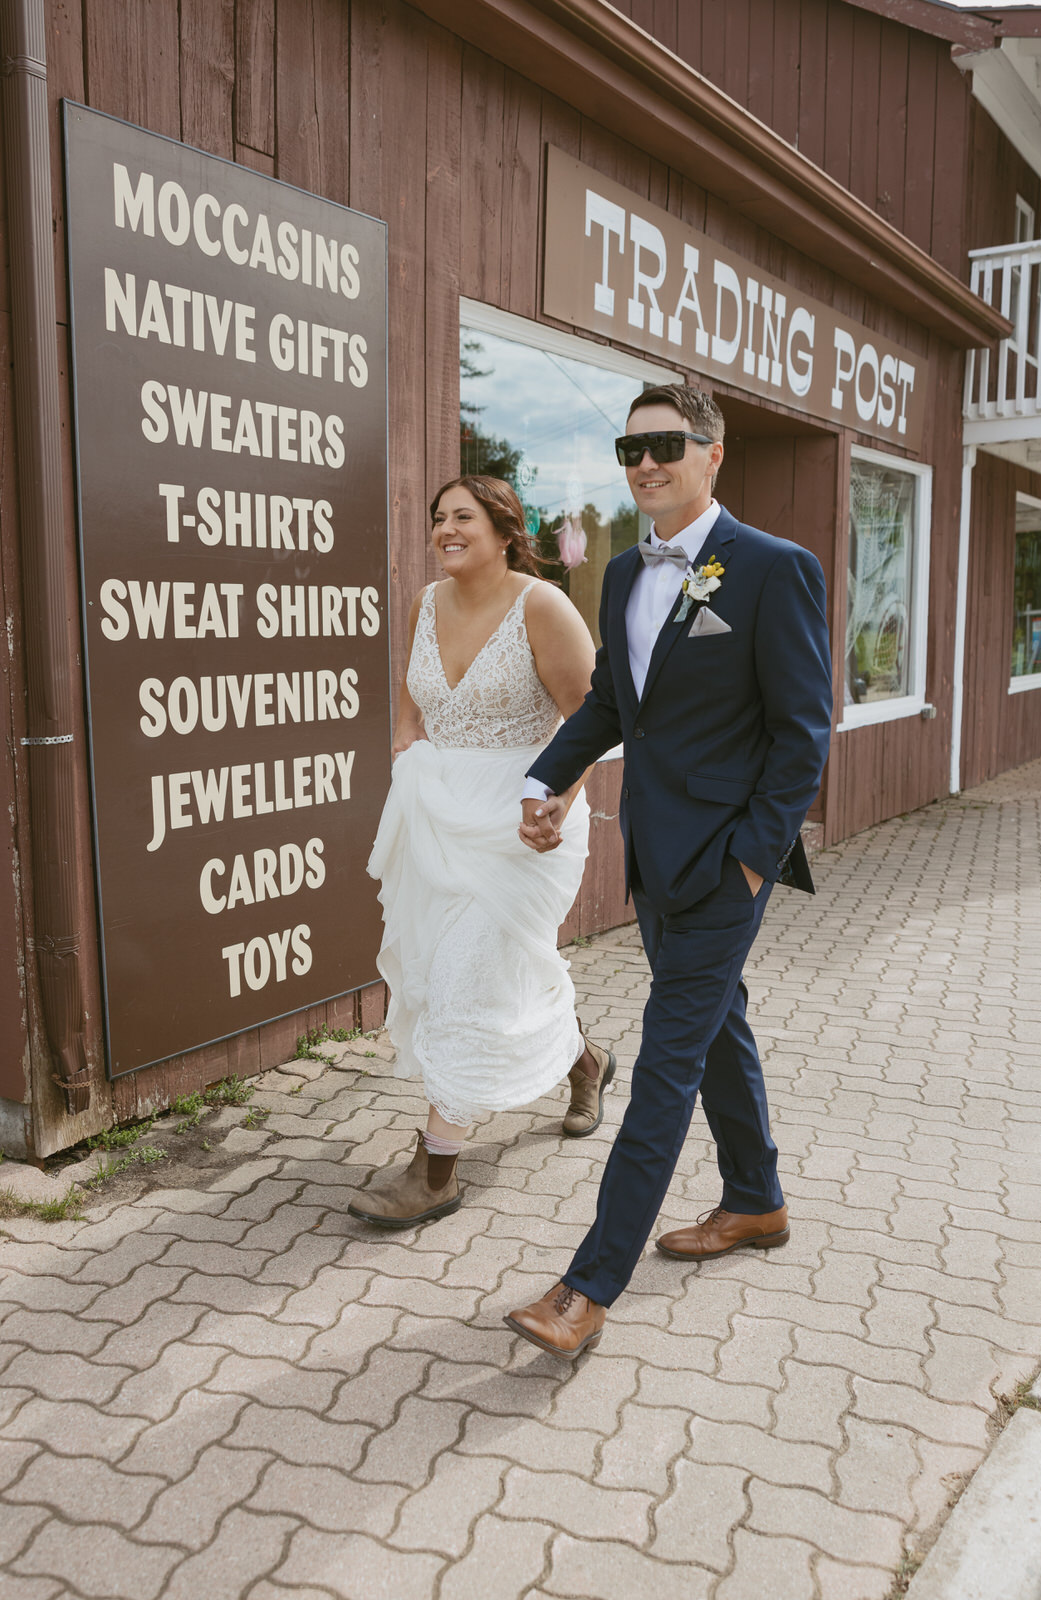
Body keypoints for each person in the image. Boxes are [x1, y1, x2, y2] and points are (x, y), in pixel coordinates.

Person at [505, 384, 833, 1357]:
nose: (643, 463)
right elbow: (614, 701)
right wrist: (547, 779)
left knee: (664, 1062)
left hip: (726, 863)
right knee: (715, 1020)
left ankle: (587, 1284)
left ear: (710, 452)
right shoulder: (618, 575)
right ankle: (755, 1200)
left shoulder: (774, 570)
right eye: (628, 447)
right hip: (651, 849)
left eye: (663, 444)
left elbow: (800, 735)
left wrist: (751, 861)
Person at [348, 475, 615, 1229]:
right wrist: (409, 755)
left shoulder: (542, 604)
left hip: (525, 818)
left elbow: (589, 717)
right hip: (438, 818)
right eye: (437, 519)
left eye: (462, 517)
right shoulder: (424, 604)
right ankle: (585, 1062)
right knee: (455, 971)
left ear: (504, 530)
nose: (444, 529)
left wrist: (556, 798)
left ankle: (436, 1170)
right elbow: (411, 707)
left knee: (471, 977)